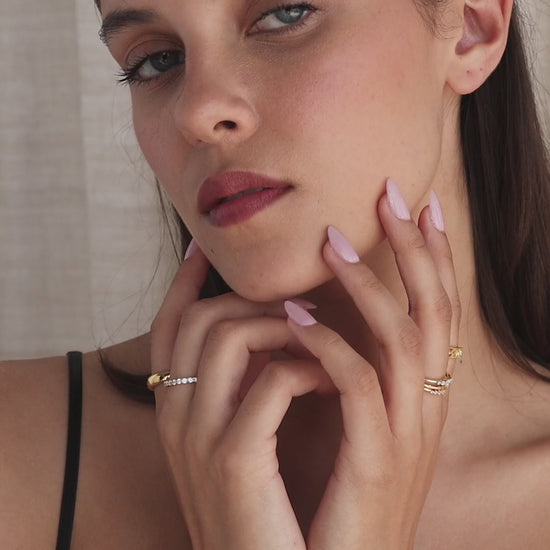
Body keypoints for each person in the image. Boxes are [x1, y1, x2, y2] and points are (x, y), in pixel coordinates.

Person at [1, 0, 550, 548]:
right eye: (157, 60)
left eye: (284, 14)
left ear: (471, 27)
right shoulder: (18, 454)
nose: (197, 112)